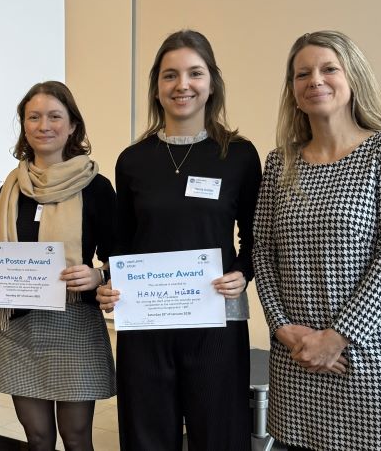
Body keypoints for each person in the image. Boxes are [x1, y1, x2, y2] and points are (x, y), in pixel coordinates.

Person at [251, 30, 381, 451]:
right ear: (293, 92)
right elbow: (262, 251)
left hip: (370, 355)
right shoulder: (280, 163)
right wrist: (281, 327)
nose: (315, 80)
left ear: (353, 79)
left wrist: (337, 337)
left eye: (329, 69)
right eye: (302, 74)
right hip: (297, 356)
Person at [96, 30, 261, 451]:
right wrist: (111, 282)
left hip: (216, 320)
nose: (182, 85)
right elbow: (122, 243)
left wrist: (242, 273)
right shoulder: (133, 160)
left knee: (220, 437)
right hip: (146, 324)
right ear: (156, 87)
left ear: (212, 83)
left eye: (194, 73)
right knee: (146, 438)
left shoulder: (239, 155)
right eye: (170, 75)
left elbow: (256, 238)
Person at [0, 81, 116, 451]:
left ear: (73, 125)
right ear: (24, 125)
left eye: (54, 116)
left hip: (75, 323)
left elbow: (120, 259)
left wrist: (97, 275)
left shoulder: (96, 187)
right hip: (20, 326)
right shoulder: (11, 186)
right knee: (37, 438)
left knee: (76, 438)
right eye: (34, 117)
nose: (44, 125)